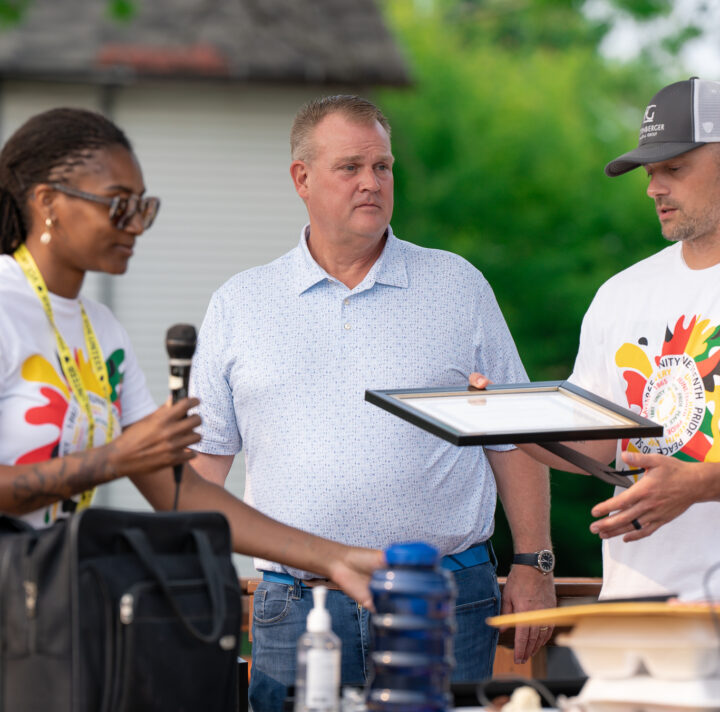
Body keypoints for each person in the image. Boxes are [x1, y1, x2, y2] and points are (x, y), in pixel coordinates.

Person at [189, 94, 555, 710]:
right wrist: (190, 580)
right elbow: (203, 464)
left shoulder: (456, 285)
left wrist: (534, 562)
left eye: (382, 167)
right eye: (350, 167)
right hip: (296, 602)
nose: (371, 183)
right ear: (301, 178)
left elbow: (514, 435)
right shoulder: (240, 303)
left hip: (444, 594)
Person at [0, 106, 384, 608]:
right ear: (48, 202)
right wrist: (115, 458)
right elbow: (128, 459)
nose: (136, 225)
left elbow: (181, 492)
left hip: (40, 606)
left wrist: (333, 557)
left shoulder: (102, 330)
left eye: (143, 206)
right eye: (118, 205)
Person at [473, 77, 720, 601]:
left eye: (674, 169)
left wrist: (701, 484)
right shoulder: (622, 293)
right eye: (651, 172)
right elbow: (599, 442)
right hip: (636, 602)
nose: (654, 187)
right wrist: (505, 420)